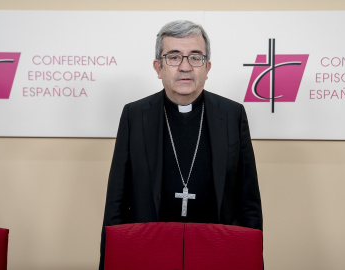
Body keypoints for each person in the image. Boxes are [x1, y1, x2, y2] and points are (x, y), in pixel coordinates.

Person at [99, 20, 262, 269]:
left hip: (216, 252)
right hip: (150, 251)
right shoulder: (135, 115)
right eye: (173, 57)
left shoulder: (232, 114)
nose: (185, 67)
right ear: (158, 67)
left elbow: (248, 200)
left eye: (195, 57)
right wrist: (108, 261)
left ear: (207, 67)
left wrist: (253, 261)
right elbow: (116, 200)